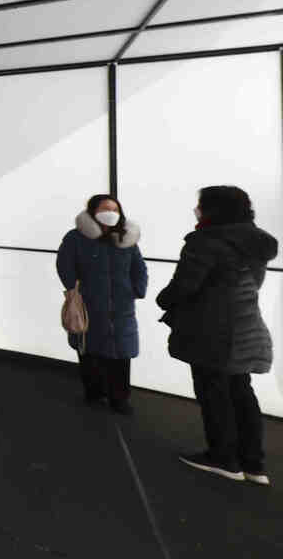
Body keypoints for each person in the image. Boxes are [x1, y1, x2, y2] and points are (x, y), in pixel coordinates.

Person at [156, 186, 277, 485]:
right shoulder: (255, 241)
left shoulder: (206, 242)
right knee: (241, 391)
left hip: (210, 331)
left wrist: (163, 300)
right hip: (247, 326)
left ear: (213, 209)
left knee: (213, 393)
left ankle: (223, 458)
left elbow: (185, 286)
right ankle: (253, 464)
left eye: (201, 204)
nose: (196, 209)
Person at [57, 195, 148, 414]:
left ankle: (120, 398)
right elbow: (64, 264)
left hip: (122, 306)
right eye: (105, 209)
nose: (111, 213)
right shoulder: (76, 238)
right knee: (88, 349)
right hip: (89, 303)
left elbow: (139, 268)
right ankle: (94, 392)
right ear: (92, 212)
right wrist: (73, 290)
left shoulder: (126, 238)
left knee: (121, 353)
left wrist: (136, 289)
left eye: (115, 209)